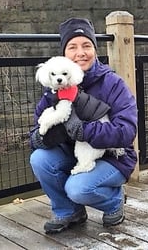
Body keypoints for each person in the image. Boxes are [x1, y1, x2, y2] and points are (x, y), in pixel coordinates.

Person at [29, 18, 138, 234]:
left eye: (87, 45)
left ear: (95, 50)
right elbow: (36, 129)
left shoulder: (113, 83)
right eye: (72, 47)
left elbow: (126, 131)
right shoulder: (54, 88)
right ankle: (68, 211)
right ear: (64, 53)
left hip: (113, 157)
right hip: (74, 154)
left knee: (78, 188)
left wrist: (85, 131)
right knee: (39, 159)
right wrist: (41, 138)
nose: (80, 53)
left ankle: (114, 201)